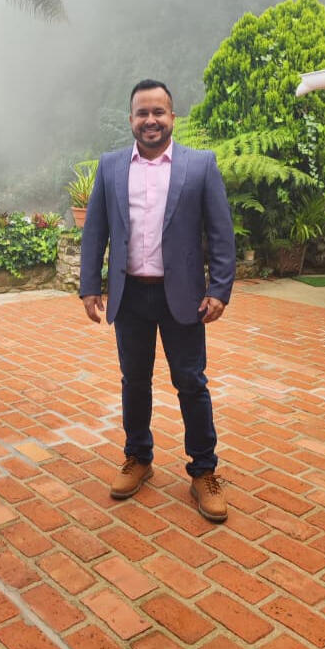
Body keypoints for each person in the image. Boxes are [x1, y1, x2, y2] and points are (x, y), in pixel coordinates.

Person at [80, 79, 236, 521]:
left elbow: (221, 233)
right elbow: (95, 230)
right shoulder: (111, 167)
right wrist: (89, 285)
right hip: (130, 294)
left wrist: (219, 289)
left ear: (172, 117)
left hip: (182, 297)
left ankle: (203, 471)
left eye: (158, 112)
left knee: (191, 382)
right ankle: (138, 458)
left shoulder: (200, 165)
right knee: (134, 380)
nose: (151, 120)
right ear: (131, 119)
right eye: (142, 113)